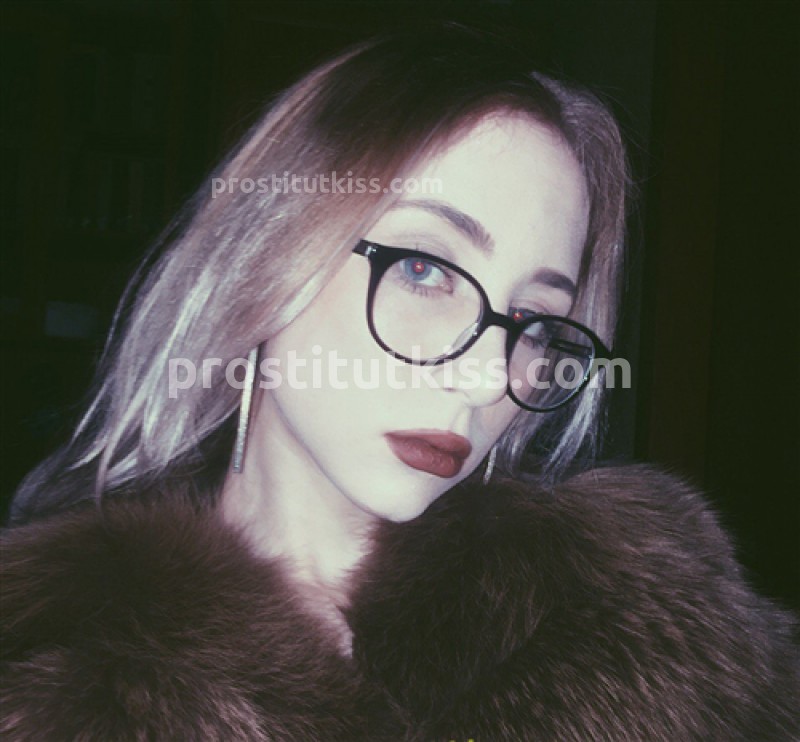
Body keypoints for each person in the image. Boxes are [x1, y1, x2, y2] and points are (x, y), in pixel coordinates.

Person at [1, 26, 797, 741]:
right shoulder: (55, 683)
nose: (487, 376)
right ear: (264, 258)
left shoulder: (653, 627)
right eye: (424, 270)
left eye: (534, 320)